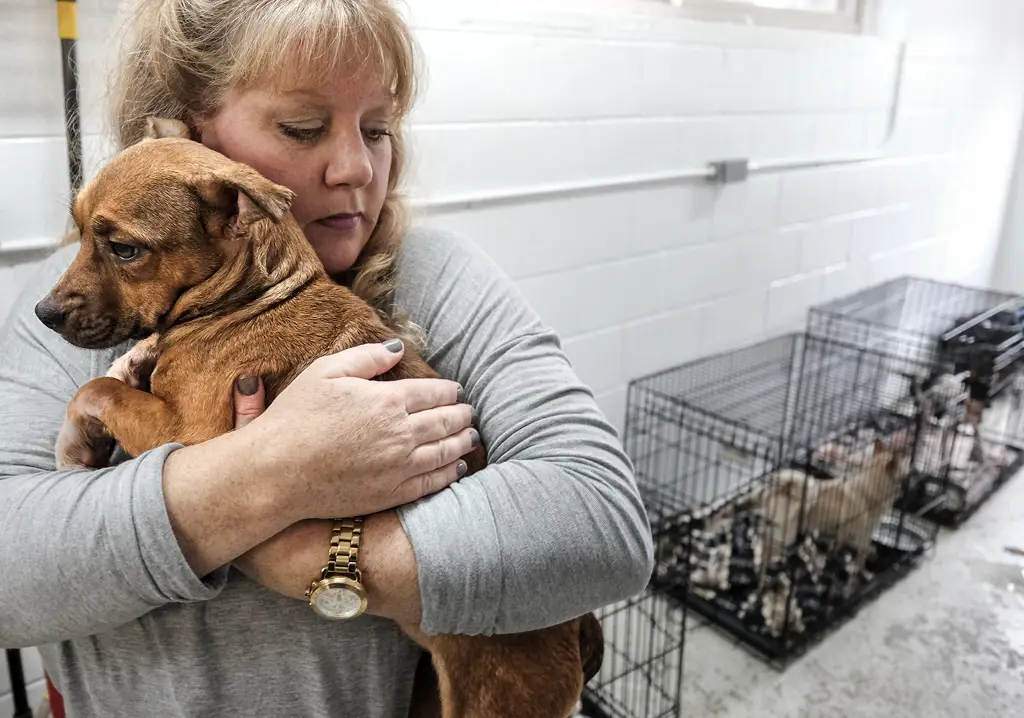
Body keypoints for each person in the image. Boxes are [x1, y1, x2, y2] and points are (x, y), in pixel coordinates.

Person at [0, 0, 654, 715]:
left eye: (379, 128)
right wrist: (271, 472)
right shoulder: (77, 308)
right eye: (303, 128)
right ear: (186, 133)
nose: (355, 167)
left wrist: (315, 557)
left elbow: (606, 524)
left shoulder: (436, 274)